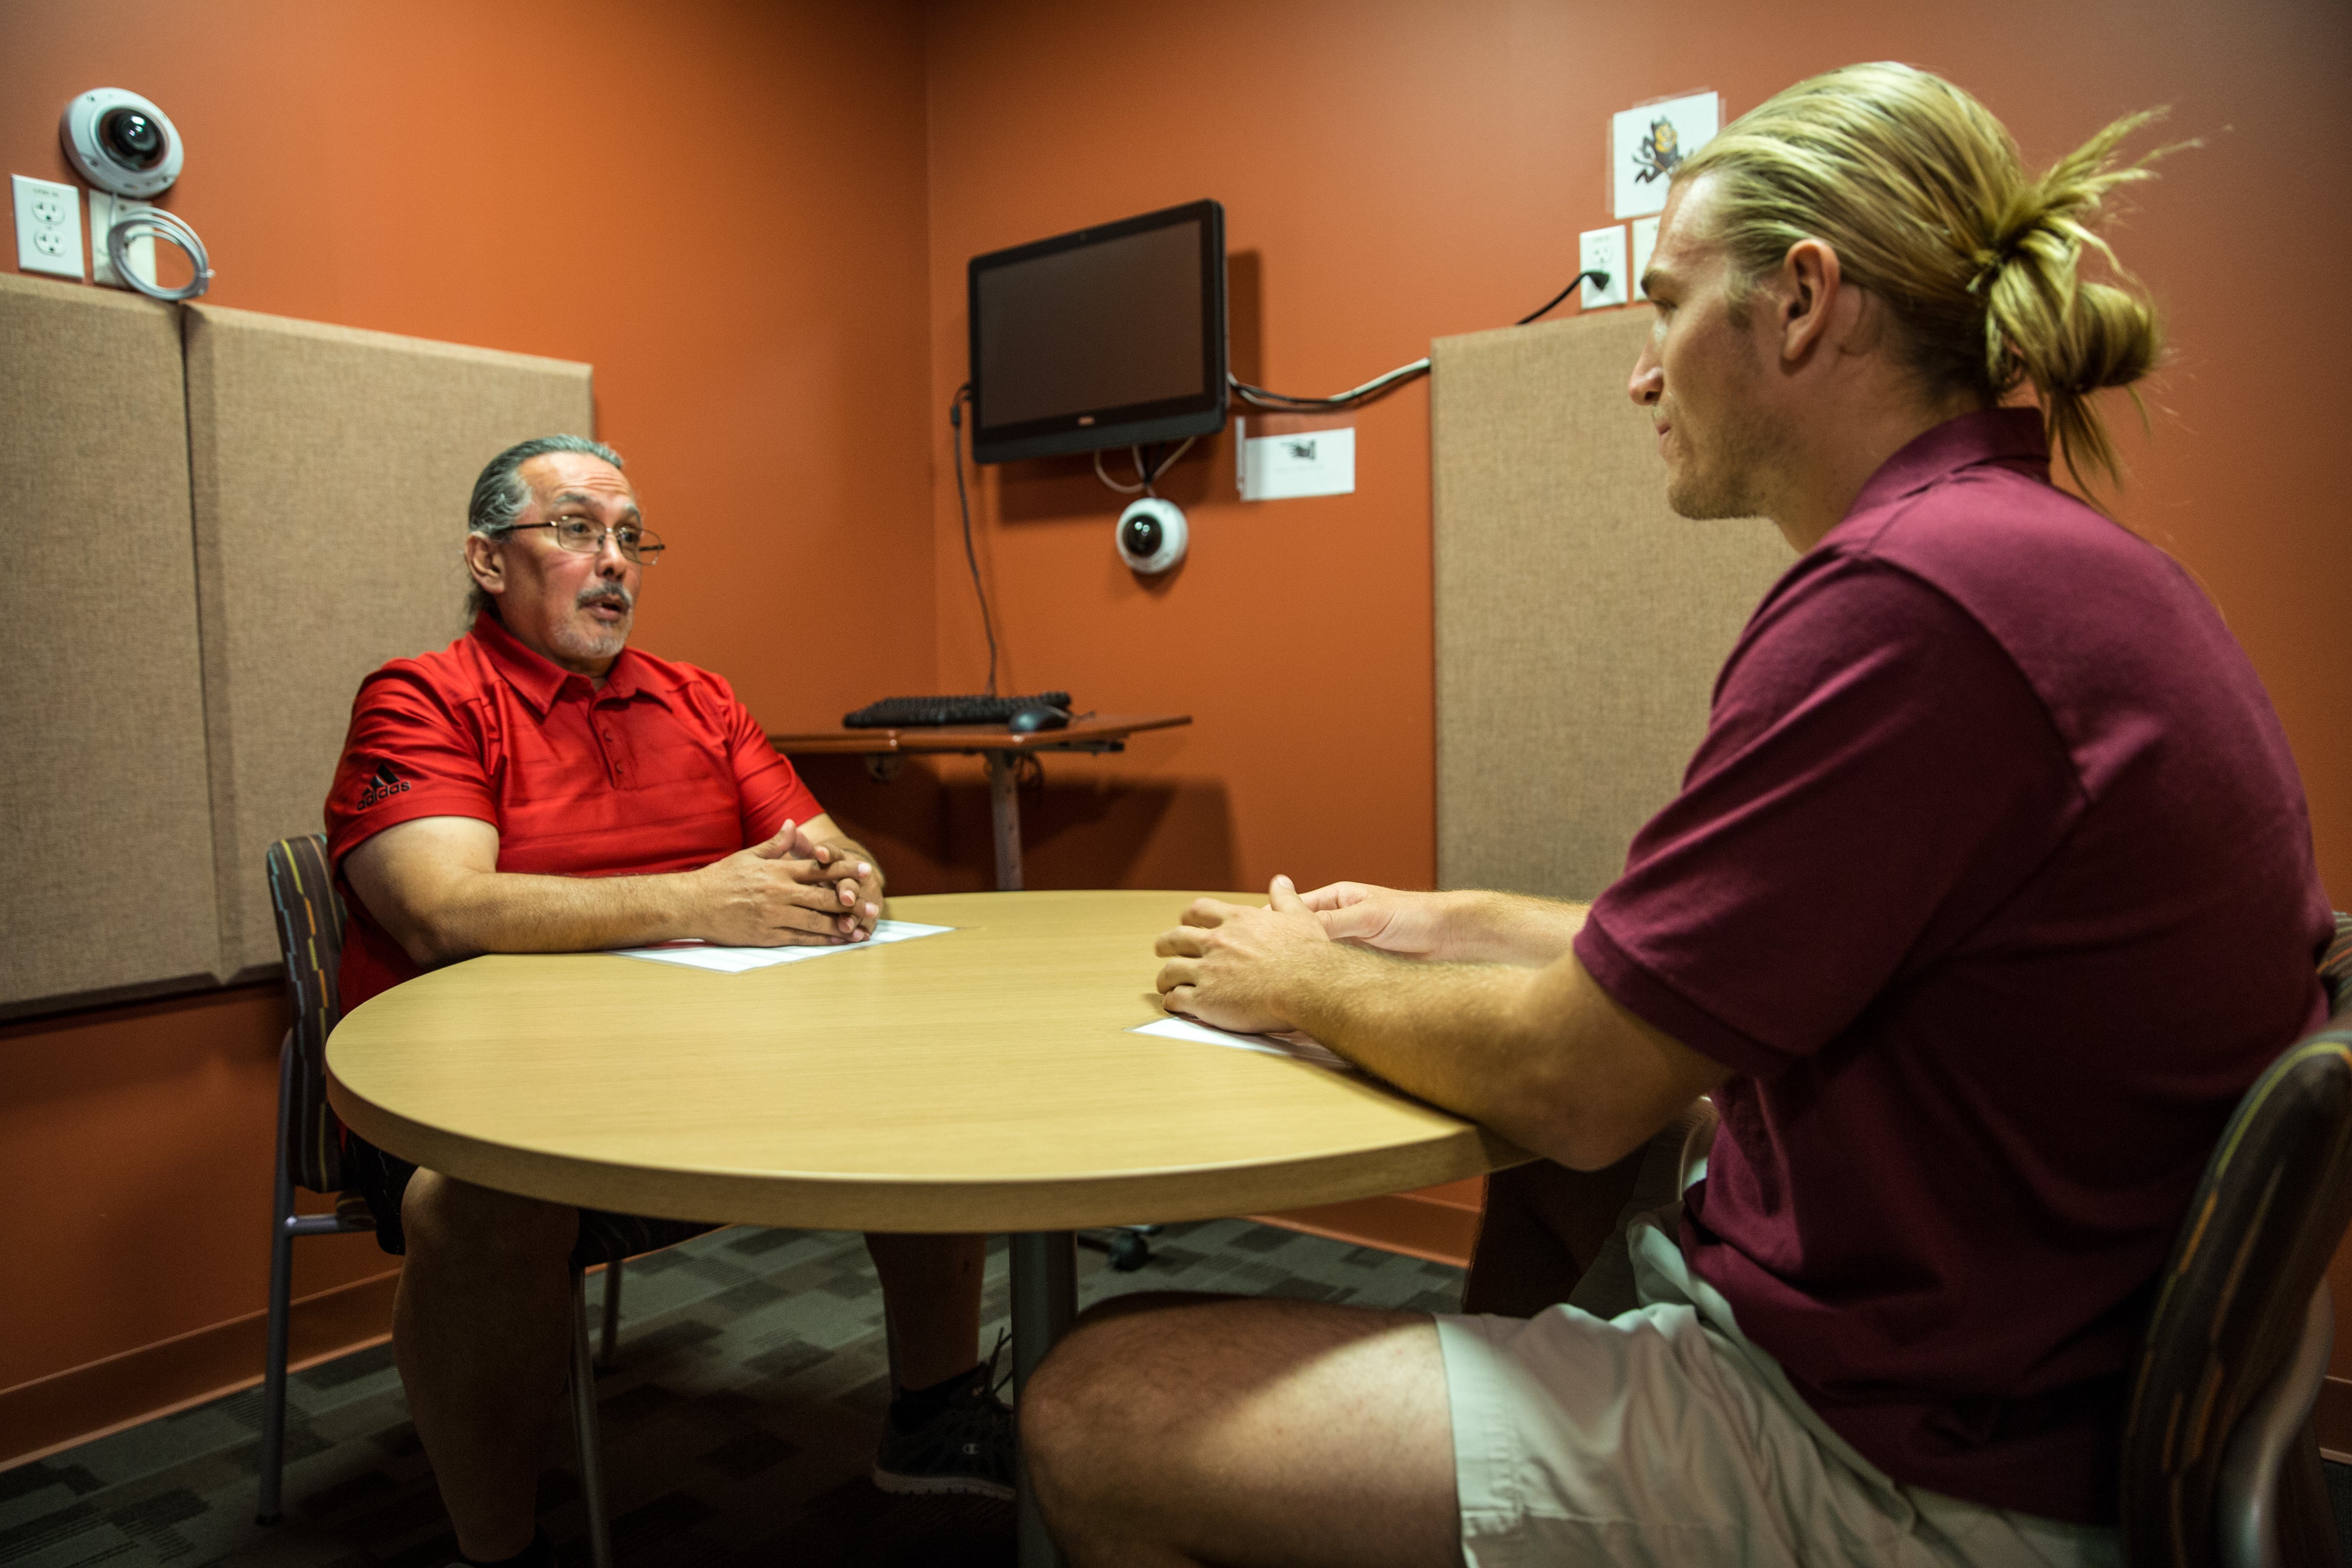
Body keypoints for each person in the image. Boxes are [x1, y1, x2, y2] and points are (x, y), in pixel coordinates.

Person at [1019, 63, 2333, 1568]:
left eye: (1663, 305)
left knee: (1097, 1404)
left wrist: (1300, 978)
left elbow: (1580, 1078)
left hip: (1916, 1464)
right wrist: (1433, 923)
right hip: (2032, 1369)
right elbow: (1739, 958)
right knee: (1576, 1172)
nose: (1639, 372)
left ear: (1799, 302)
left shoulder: (1905, 606)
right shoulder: (2035, 563)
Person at [323, 435, 1009, 1568]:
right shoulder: (423, 697)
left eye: (630, 537)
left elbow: (821, 845)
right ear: (489, 561)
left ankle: (931, 1410)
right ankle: (496, 1547)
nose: (615, 562)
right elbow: (439, 908)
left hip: (708, 1058)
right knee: (480, 1197)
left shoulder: (697, 697)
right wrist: (701, 898)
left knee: (929, 1082)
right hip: (491, 1080)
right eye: (579, 529)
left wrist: (846, 880)